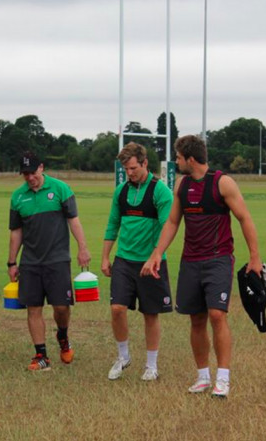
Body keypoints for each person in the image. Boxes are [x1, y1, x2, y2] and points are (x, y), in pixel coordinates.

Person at [141, 135, 262, 398]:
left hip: (218, 259)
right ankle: (203, 376)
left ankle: (223, 379)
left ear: (190, 158)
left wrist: (255, 258)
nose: (177, 161)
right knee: (196, 319)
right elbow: (172, 222)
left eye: (179, 157)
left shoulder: (223, 183)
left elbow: (244, 218)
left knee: (217, 315)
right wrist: (157, 253)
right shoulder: (182, 186)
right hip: (190, 261)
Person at [8, 151, 90, 371]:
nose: (29, 178)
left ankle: (63, 337)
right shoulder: (17, 197)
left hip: (58, 260)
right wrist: (11, 262)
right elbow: (16, 232)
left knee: (61, 307)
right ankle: (41, 355)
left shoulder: (60, 189)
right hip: (30, 262)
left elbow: (74, 221)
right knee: (33, 308)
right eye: (25, 174)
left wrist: (83, 248)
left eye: (32, 172)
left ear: (41, 168)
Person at [101, 143, 174, 381]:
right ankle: (123, 357)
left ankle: (151, 365)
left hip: (151, 262)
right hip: (124, 260)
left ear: (144, 163)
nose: (129, 173)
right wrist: (105, 257)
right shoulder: (121, 191)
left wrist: (154, 257)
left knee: (150, 314)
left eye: (132, 168)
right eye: (125, 169)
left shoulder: (160, 191)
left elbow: (167, 228)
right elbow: (113, 224)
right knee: (117, 309)